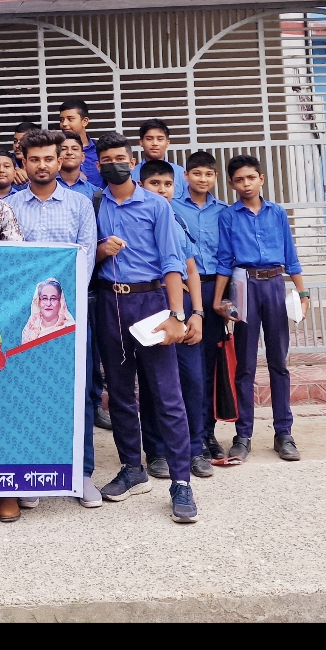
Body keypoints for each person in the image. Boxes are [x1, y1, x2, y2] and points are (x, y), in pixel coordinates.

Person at [91, 136, 198, 522]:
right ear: (98, 165)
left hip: (151, 302)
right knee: (120, 393)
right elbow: (86, 255)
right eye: (106, 160)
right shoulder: (95, 203)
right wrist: (102, 250)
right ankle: (132, 469)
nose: (114, 165)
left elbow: (172, 262)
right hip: (110, 302)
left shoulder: (155, 205)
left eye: (120, 158)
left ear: (132, 161)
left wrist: (178, 315)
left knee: (167, 394)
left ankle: (181, 482)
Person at [7, 131, 100, 515]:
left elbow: (86, 258)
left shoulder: (80, 204)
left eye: (49, 158)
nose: (42, 165)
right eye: (35, 159)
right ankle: (31, 473)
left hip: (72, 315)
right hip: (26, 319)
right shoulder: (9, 206)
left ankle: (83, 472)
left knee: (79, 392)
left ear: (59, 162)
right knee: (27, 392)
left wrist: (64, 306)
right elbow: (10, 264)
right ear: (24, 163)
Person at [214, 157, 309, 464]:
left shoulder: (277, 212)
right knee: (245, 365)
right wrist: (219, 299)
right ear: (231, 184)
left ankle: (284, 434)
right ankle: (243, 436)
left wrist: (303, 293)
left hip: (275, 285)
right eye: (239, 179)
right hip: (244, 286)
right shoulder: (228, 216)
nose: (246, 184)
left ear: (261, 179)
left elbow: (291, 256)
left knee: (278, 362)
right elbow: (224, 260)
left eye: (251, 178)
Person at [137, 158, 213, 483]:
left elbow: (191, 271)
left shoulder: (178, 221)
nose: (162, 190)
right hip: (151, 309)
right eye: (154, 184)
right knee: (153, 383)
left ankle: (194, 449)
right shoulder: (136, 220)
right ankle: (156, 451)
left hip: (183, 311)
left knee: (192, 381)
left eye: (167, 184)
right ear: (141, 187)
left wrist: (197, 314)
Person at [174, 151, 226, 459]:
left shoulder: (224, 212)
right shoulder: (171, 207)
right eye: (196, 173)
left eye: (208, 174)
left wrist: (226, 298)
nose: (202, 179)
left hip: (215, 291)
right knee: (186, 369)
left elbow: (230, 256)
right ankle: (186, 435)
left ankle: (207, 433)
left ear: (215, 177)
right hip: (183, 291)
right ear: (186, 176)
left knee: (209, 367)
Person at [132, 120, 187, 198]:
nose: (155, 143)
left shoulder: (180, 173)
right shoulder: (131, 174)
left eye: (160, 139)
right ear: (141, 142)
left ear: (167, 143)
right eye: (149, 139)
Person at [58, 99, 102, 187]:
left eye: (70, 119)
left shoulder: (100, 149)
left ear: (84, 121)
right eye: (62, 120)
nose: (64, 124)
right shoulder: (55, 150)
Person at [58, 132, 101, 209]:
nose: (69, 152)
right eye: (63, 149)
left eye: (74, 149)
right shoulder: (46, 187)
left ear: (83, 156)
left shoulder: (95, 193)